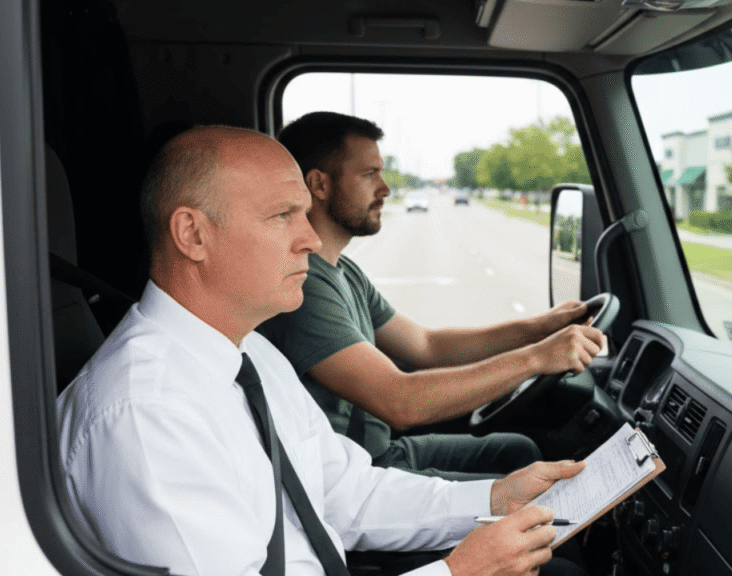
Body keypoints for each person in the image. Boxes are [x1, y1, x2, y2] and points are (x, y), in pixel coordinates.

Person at [58, 125, 586, 576]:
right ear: (193, 234)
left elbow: (347, 493)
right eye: (284, 215)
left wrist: (495, 499)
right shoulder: (146, 415)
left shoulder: (252, 357)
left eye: (306, 215)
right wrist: (458, 571)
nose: (310, 239)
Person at [258, 112, 604, 481]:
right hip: (356, 476)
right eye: (369, 174)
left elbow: (426, 345)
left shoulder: (344, 272)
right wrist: (538, 358)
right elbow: (400, 402)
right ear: (320, 185)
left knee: (519, 451)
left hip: (380, 450)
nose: (386, 189)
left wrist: (539, 328)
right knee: (538, 493)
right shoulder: (304, 285)